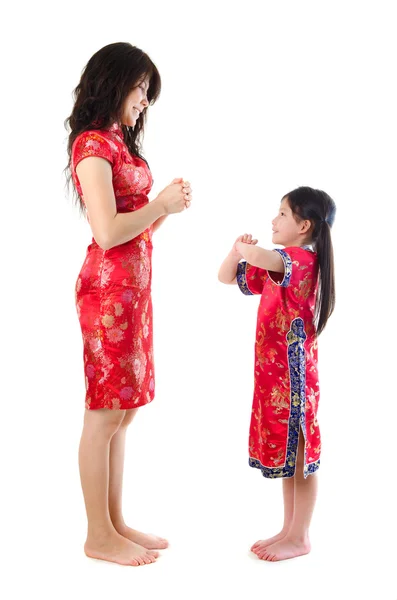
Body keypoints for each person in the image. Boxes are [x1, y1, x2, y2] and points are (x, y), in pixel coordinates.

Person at [65, 42, 192, 567]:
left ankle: (114, 522)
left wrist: (163, 209)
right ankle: (99, 534)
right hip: (107, 294)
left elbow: (134, 231)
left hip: (132, 292)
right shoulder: (93, 146)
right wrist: (158, 204)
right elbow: (108, 230)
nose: (143, 101)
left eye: (147, 93)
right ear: (113, 83)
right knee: (103, 412)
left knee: (123, 413)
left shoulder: (117, 142)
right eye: (139, 89)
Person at [218, 186, 336, 562]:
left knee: (299, 453)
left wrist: (246, 250)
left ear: (304, 225)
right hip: (274, 376)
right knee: (290, 457)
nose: (274, 219)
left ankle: (300, 536)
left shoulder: (299, 259)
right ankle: (289, 530)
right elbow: (226, 277)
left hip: (293, 375)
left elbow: (256, 256)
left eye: (282, 214)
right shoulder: (278, 264)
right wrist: (234, 249)